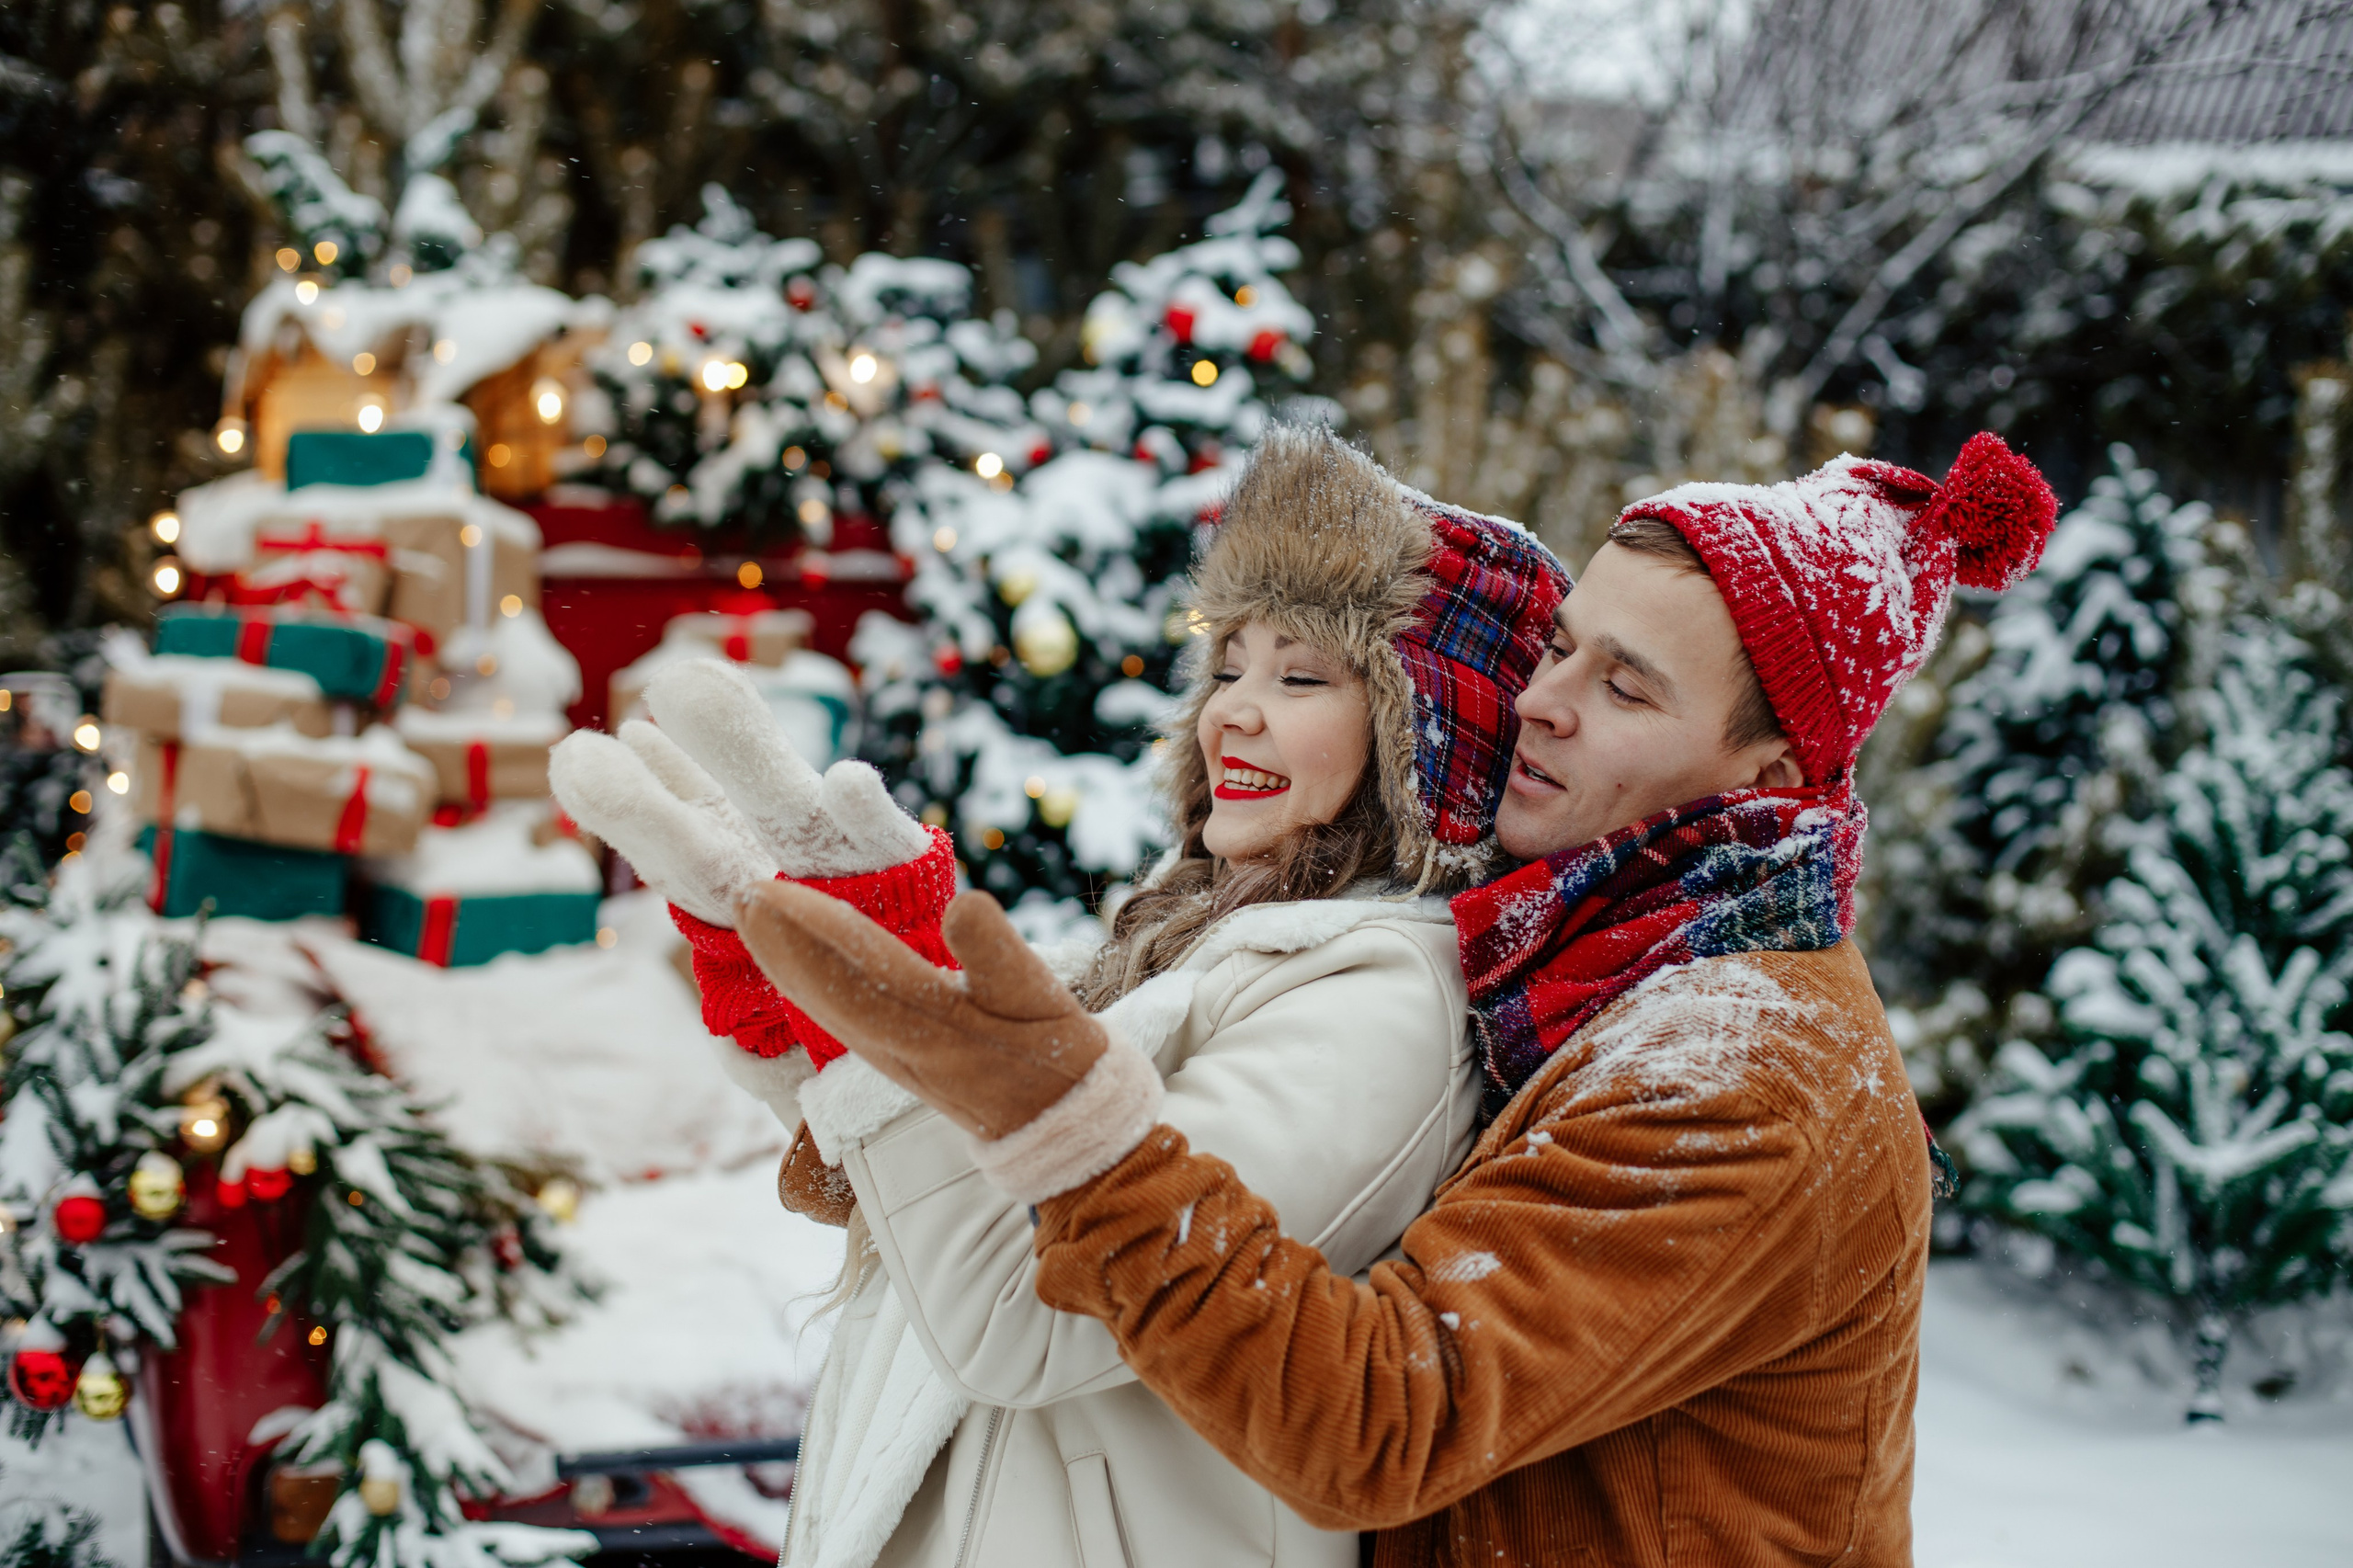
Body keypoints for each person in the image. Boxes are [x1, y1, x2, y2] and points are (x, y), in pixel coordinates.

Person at [734, 435, 2061, 1567]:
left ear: (1770, 764)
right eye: (1564, 650)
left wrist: (1082, 1137)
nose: (1540, 702)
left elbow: (1386, 1412)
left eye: (1625, 684)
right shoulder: (1591, 975)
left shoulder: (1744, 1072)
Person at [549, 424, 1570, 1568]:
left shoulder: (1381, 993)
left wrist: (894, 1018)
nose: (1232, 707)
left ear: (1417, 733)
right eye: (1227, 664)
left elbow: (1031, 1308)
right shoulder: (1197, 939)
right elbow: (951, 1209)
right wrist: (807, 1016)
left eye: (1301, 674)